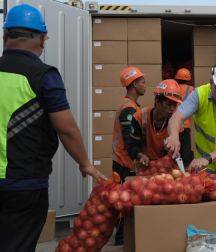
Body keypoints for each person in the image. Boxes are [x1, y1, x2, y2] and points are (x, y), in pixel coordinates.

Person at [0, 4, 105, 251]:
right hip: (23, 184)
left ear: (6, 36)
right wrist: (85, 163)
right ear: (42, 39)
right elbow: (66, 129)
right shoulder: (43, 75)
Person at [111, 66, 146, 245]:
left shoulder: (131, 106)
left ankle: (124, 239)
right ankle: (122, 242)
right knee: (125, 205)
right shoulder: (129, 109)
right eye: (142, 82)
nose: (145, 85)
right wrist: (140, 157)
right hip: (124, 164)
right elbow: (130, 140)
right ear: (133, 85)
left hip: (123, 162)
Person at [126, 79, 190, 164]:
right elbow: (131, 145)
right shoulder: (140, 117)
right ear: (157, 101)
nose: (172, 108)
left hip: (167, 170)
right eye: (168, 104)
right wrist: (140, 155)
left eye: (174, 105)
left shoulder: (178, 123)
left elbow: (185, 152)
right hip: (145, 168)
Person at [175, 68, 195, 165]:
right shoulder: (191, 90)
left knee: (175, 150)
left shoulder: (173, 87)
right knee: (186, 152)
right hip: (185, 126)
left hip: (174, 125)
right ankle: (186, 169)